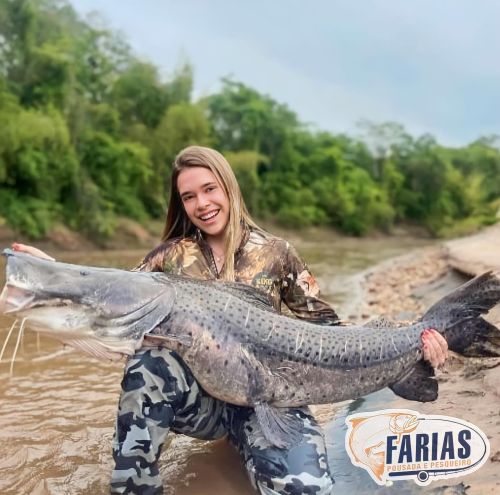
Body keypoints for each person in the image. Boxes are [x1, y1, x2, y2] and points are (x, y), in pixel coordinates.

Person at [13, 145, 449, 495]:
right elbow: (116, 294)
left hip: (271, 402)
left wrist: (411, 340)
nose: (201, 204)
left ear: (229, 188)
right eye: (189, 196)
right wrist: (52, 273)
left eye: (209, 189)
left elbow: (329, 331)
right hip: (204, 404)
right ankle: (134, 486)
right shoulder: (169, 257)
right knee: (148, 365)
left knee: (306, 488)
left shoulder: (277, 252)